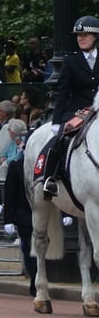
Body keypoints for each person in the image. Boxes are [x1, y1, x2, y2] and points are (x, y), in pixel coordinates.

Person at [38, 15, 99, 198]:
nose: (81, 38)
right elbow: (62, 93)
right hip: (78, 111)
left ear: (95, 37)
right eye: (79, 35)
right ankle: (50, 178)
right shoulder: (71, 61)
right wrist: (57, 121)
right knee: (60, 139)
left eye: (85, 35)